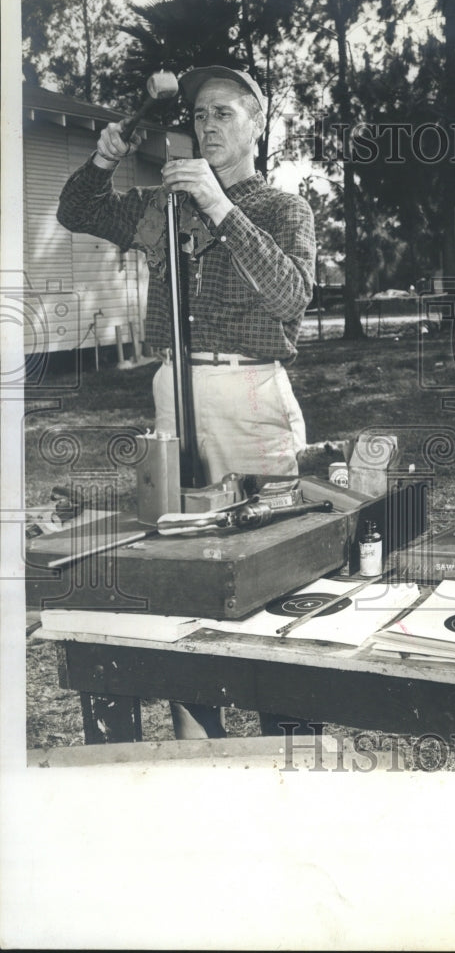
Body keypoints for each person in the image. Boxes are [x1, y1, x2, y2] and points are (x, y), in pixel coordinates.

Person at [57, 66, 316, 739]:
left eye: (225, 113)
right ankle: (197, 737)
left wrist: (223, 209)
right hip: (175, 387)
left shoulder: (282, 209)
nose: (209, 126)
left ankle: (287, 734)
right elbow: (77, 212)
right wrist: (104, 159)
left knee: (274, 561)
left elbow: (291, 299)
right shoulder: (163, 205)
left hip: (248, 391)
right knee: (184, 562)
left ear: (258, 125)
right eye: (200, 115)